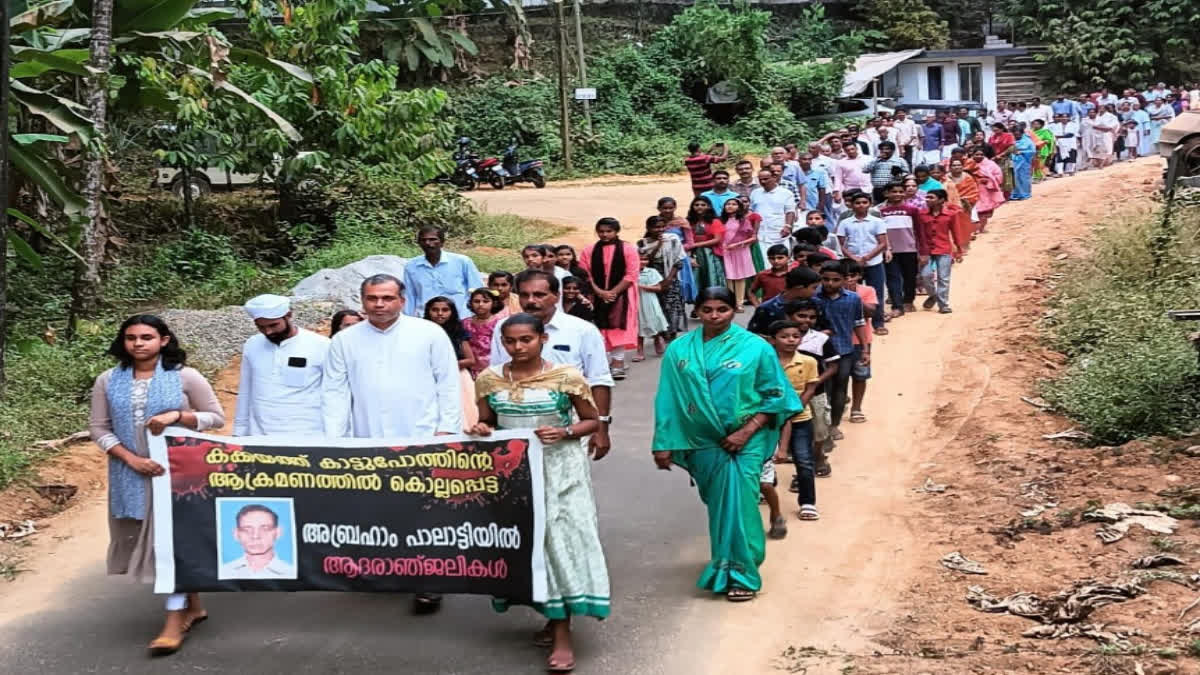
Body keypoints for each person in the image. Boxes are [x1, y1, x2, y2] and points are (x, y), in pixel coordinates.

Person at [470, 313, 608, 674]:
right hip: (513, 475)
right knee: (528, 548)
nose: (517, 348)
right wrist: (481, 428)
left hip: (560, 473)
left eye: (525, 340)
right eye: (510, 341)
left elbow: (593, 420)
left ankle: (563, 634)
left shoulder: (566, 377)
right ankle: (549, 614)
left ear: (542, 339)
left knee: (558, 545)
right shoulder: (488, 379)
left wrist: (565, 432)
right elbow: (487, 421)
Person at [651, 287, 802, 602]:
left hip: (745, 439)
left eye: (722, 309)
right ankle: (728, 559)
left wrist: (746, 431)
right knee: (721, 504)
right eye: (707, 310)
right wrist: (662, 442)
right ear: (698, 312)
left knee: (741, 500)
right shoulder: (679, 350)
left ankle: (743, 573)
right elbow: (668, 400)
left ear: (734, 310)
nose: (715, 316)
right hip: (702, 440)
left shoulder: (755, 348)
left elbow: (777, 394)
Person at [323, 275, 461, 616]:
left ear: (402, 299)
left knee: (425, 512)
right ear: (362, 300)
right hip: (367, 439)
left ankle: (429, 579)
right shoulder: (345, 340)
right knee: (377, 508)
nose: (379, 305)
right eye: (372, 298)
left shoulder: (428, 333)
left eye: (387, 298)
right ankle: (387, 570)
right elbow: (335, 393)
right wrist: (335, 441)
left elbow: (447, 383)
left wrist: (447, 431)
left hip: (424, 436)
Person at [89, 314, 225, 655]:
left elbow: (215, 417)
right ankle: (193, 606)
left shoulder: (185, 376)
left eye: (146, 337)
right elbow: (99, 429)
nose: (138, 344)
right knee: (157, 539)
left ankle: (172, 620)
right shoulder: (108, 380)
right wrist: (131, 459)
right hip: (130, 472)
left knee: (171, 541)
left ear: (163, 340)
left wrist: (178, 416)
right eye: (131, 337)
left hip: (179, 473)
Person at [488, 270, 616, 460]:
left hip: (569, 423)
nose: (531, 300)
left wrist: (601, 428)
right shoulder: (503, 327)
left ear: (556, 296)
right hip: (515, 422)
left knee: (565, 483)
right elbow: (497, 378)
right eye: (524, 295)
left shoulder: (582, 330)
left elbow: (599, 380)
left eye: (539, 295)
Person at [234, 294, 328, 437]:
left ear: (288, 315)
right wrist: (239, 432)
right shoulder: (252, 344)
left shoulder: (321, 345)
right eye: (261, 327)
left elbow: (335, 394)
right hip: (260, 434)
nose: (268, 332)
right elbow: (246, 391)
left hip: (309, 434)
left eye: (273, 325)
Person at [766, 320, 822, 521]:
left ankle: (808, 502)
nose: (790, 340)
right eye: (784, 336)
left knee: (804, 460)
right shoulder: (766, 361)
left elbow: (810, 389)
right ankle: (766, 488)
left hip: (799, 417)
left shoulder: (808, 362)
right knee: (764, 457)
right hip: (768, 418)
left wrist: (793, 409)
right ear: (773, 340)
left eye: (795, 336)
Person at [579, 218, 640, 380]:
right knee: (598, 328)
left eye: (609, 231)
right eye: (601, 231)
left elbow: (632, 274)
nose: (605, 234)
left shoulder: (628, 249)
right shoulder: (589, 250)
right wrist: (600, 292)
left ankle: (618, 362)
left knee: (617, 327)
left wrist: (612, 292)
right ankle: (602, 362)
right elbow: (586, 275)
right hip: (596, 295)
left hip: (622, 294)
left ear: (616, 231)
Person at [813, 262, 869, 438]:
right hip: (817, 351)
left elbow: (859, 324)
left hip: (844, 350)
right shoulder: (813, 298)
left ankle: (834, 425)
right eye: (826, 279)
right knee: (821, 390)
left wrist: (865, 349)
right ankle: (821, 425)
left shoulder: (853, 299)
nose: (830, 284)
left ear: (844, 280)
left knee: (840, 388)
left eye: (835, 280)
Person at [787, 300, 837, 478]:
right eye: (801, 315)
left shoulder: (821, 339)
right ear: (789, 316)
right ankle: (801, 474)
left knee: (819, 430)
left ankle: (818, 456)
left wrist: (814, 382)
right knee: (796, 435)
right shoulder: (778, 338)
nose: (806, 320)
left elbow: (832, 366)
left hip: (816, 394)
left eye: (812, 317)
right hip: (788, 395)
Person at [403, 226, 483, 318]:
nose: (428, 243)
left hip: (459, 318)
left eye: (433, 239)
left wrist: (472, 316)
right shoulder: (411, 266)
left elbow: (476, 290)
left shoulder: (462, 262)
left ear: (442, 242)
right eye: (423, 240)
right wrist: (408, 319)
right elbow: (409, 295)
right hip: (426, 319)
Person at [836, 193, 888, 333]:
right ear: (852, 205)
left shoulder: (877, 222)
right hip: (852, 263)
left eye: (864, 202)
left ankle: (878, 323)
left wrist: (866, 258)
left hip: (874, 262)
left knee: (877, 292)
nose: (861, 205)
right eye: (857, 203)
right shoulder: (845, 223)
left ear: (869, 204)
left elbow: (882, 243)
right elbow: (840, 244)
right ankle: (850, 321)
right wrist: (854, 258)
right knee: (848, 291)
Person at [638, 215, 689, 338]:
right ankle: (661, 332)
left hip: (670, 275)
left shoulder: (673, 239)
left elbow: (678, 261)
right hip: (652, 277)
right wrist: (658, 245)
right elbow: (646, 260)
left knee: (672, 304)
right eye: (656, 227)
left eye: (662, 227)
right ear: (649, 228)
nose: (660, 230)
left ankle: (672, 332)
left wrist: (669, 279)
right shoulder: (643, 243)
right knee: (656, 305)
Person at [217, 504, 297, 579]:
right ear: (236, 534)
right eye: (246, 530)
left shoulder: (291, 573)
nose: (255, 536)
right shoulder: (224, 572)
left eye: (265, 529)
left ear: (278, 532)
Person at [877, 182, 921, 317]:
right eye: (894, 192)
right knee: (893, 277)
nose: (897, 194)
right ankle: (897, 305)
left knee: (910, 276)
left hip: (910, 249)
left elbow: (919, 231)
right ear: (886, 194)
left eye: (900, 191)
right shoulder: (880, 212)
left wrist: (921, 250)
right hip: (890, 250)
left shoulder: (912, 210)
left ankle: (908, 300)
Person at [841, 261, 876, 425]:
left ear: (859, 276)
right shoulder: (834, 294)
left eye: (852, 276)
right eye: (845, 277)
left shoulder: (867, 291)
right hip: (840, 341)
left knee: (860, 375)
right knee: (840, 377)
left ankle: (857, 408)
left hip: (861, 341)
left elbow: (871, 312)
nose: (849, 280)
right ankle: (840, 404)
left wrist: (854, 297)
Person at [916, 189, 961, 314]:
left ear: (941, 200)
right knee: (925, 275)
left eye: (931, 198)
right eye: (927, 197)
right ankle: (934, 295)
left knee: (943, 277)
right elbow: (919, 234)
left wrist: (959, 250)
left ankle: (943, 304)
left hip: (944, 248)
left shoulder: (950, 214)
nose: (927, 200)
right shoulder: (921, 214)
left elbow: (956, 232)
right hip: (926, 250)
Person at [747, 265, 821, 334]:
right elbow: (754, 334)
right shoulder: (768, 308)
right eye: (814, 288)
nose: (815, 291)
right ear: (800, 287)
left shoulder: (816, 303)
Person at [718, 196, 757, 312]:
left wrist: (737, 244)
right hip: (725, 250)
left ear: (739, 207)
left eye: (734, 204)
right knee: (728, 277)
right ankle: (730, 302)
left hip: (740, 250)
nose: (730, 206)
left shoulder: (743, 221)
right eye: (728, 204)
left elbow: (753, 237)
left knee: (740, 277)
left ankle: (739, 303)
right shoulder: (720, 220)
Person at [749, 169, 797, 262]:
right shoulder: (755, 193)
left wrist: (788, 226)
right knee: (763, 260)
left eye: (766, 179)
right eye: (760, 179)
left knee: (780, 259)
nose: (763, 182)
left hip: (779, 232)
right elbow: (751, 212)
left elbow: (790, 211)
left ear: (774, 178)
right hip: (760, 233)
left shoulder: (786, 193)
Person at [684, 196, 727, 294]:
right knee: (696, 278)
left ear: (708, 207)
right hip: (693, 253)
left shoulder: (714, 221)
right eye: (697, 205)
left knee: (711, 276)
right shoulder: (689, 222)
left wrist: (696, 245)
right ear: (692, 207)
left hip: (710, 253)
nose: (699, 207)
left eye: (703, 205)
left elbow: (717, 239)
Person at [636, 254, 670, 360]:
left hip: (649, 300)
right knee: (637, 325)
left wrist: (641, 286)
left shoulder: (651, 272)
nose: (642, 262)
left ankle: (657, 339)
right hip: (635, 301)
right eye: (640, 259)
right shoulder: (629, 272)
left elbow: (658, 287)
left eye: (645, 259)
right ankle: (640, 351)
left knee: (653, 321)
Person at [464, 288, 503, 377]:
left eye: (486, 301)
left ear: (494, 303)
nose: (480, 305)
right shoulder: (465, 323)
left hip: (493, 369)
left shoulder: (499, 324)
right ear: (471, 303)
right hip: (470, 370)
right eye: (476, 301)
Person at [946, 159, 979, 254]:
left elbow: (974, 192)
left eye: (959, 165)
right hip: (951, 207)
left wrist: (964, 200)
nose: (957, 167)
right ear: (950, 167)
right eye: (954, 165)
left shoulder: (968, 177)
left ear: (962, 166)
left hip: (965, 206)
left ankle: (964, 246)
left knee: (964, 227)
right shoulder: (946, 179)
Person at [969, 146, 1005, 234]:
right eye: (976, 154)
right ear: (972, 155)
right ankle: (975, 228)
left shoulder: (990, 164)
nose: (979, 156)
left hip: (987, 191)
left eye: (981, 154)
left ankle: (982, 228)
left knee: (986, 212)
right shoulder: (968, 164)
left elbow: (999, 175)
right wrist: (976, 180)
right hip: (973, 190)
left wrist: (989, 180)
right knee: (975, 210)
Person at [1009, 123, 1036, 200]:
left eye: (1018, 134)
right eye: (1015, 134)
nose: (1017, 136)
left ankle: (1024, 194)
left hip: (1024, 162)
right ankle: (1014, 194)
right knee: (1013, 178)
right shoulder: (1011, 140)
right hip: (1012, 161)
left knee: (1023, 178)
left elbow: (1033, 151)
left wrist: (1022, 152)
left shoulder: (1028, 141)